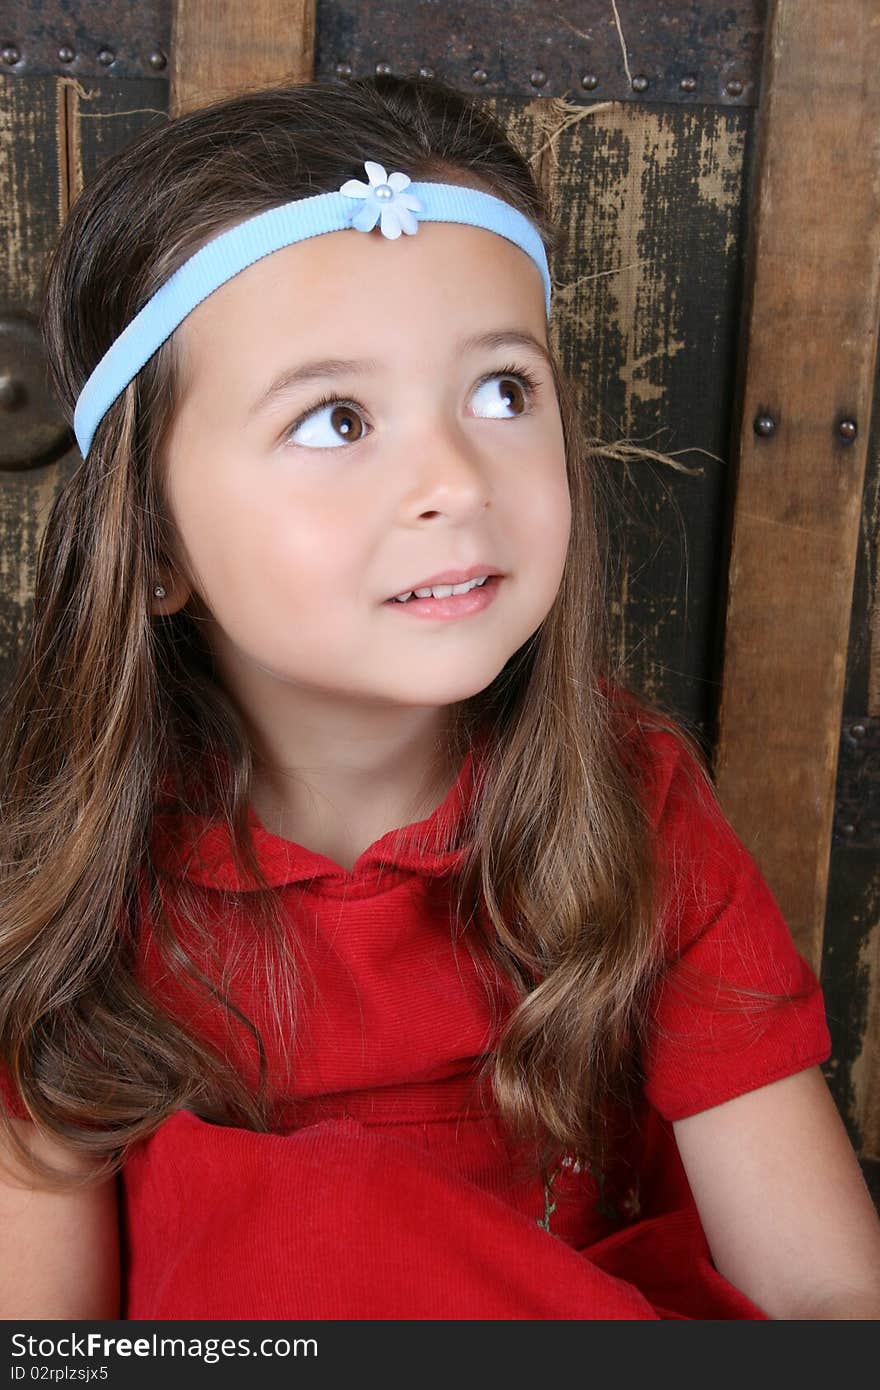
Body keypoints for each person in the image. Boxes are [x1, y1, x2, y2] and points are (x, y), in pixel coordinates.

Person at [1, 73, 878, 1323]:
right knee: (311, 1229)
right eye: (336, 418)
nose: (454, 480)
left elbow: (828, 1300)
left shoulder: (634, 812)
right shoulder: (69, 889)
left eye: (502, 391)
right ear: (151, 545)